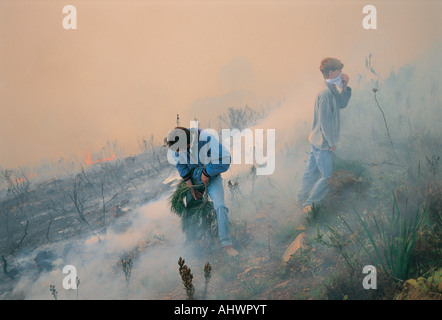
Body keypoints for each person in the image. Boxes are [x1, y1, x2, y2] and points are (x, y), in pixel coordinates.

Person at [167, 126, 239, 257]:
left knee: (220, 206)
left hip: (212, 177)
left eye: (184, 148)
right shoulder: (176, 147)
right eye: (177, 150)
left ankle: (226, 244)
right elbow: (182, 168)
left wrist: (207, 172)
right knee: (191, 210)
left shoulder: (207, 139)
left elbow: (225, 160)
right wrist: (191, 188)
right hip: (193, 179)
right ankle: (192, 241)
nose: (179, 152)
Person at [297, 57, 352, 211]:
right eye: (339, 71)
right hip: (323, 142)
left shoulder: (329, 88)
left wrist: (345, 87)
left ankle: (300, 197)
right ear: (331, 72)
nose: (342, 73)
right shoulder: (326, 93)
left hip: (315, 139)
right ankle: (309, 204)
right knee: (327, 176)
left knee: (311, 172)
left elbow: (342, 104)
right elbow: (326, 121)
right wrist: (332, 142)